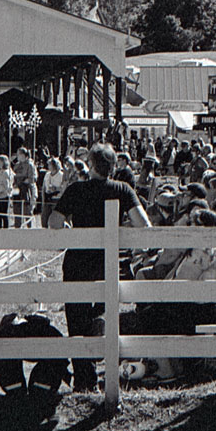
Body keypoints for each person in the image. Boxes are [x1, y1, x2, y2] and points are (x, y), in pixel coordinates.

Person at [49, 142, 150, 391]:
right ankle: (101, 369)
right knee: (103, 315)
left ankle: (84, 378)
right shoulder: (122, 189)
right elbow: (144, 225)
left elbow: (54, 222)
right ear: (113, 166)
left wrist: (70, 229)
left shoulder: (76, 189)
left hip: (77, 262)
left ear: (91, 165)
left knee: (76, 319)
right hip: (106, 262)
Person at [13, 147, 38, 227]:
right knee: (17, 211)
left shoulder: (30, 165)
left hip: (27, 190)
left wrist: (24, 180)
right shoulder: (16, 165)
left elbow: (33, 179)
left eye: (19, 154)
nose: (17, 156)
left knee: (27, 212)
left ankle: (30, 228)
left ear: (24, 155)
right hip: (17, 190)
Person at [40, 156, 65, 226]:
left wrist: (56, 189)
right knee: (44, 218)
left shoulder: (61, 175)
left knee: (56, 219)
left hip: (57, 200)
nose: (48, 166)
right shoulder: (47, 174)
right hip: (47, 199)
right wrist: (43, 200)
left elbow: (64, 188)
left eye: (50, 164)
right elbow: (44, 187)